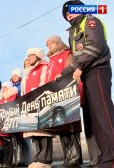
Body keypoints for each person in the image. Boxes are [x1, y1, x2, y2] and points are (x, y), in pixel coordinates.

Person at [62, 1, 114, 167]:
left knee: (103, 115)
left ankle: (113, 160)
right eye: (66, 14)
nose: (68, 14)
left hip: (97, 69)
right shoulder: (73, 31)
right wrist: (64, 74)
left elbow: (96, 46)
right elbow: (76, 57)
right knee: (95, 119)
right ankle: (105, 157)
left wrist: (79, 67)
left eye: (71, 11)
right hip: (86, 73)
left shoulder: (90, 21)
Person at [45, 35, 83, 168]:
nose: (48, 45)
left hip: (67, 92)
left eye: (50, 43)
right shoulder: (50, 60)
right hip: (55, 96)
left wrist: (62, 74)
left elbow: (72, 66)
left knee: (71, 125)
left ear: (57, 42)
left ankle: (75, 158)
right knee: (61, 126)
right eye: (47, 44)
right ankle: (67, 157)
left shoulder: (67, 53)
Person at [21, 48, 53, 168]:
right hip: (30, 105)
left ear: (37, 56)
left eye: (31, 55)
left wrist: (38, 97)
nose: (28, 58)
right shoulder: (29, 72)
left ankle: (45, 159)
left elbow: (44, 83)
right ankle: (37, 157)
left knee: (43, 132)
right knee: (34, 133)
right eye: (27, 56)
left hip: (41, 103)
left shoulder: (43, 66)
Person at [0, 81, 18, 168]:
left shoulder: (14, 96)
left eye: (5, 87)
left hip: (11, 123)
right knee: (4, 144)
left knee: (10, 143)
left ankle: (10, 161)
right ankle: (5, 160)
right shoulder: (1, 99)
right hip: (2, 124)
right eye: (3, 87)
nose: (3, 89)